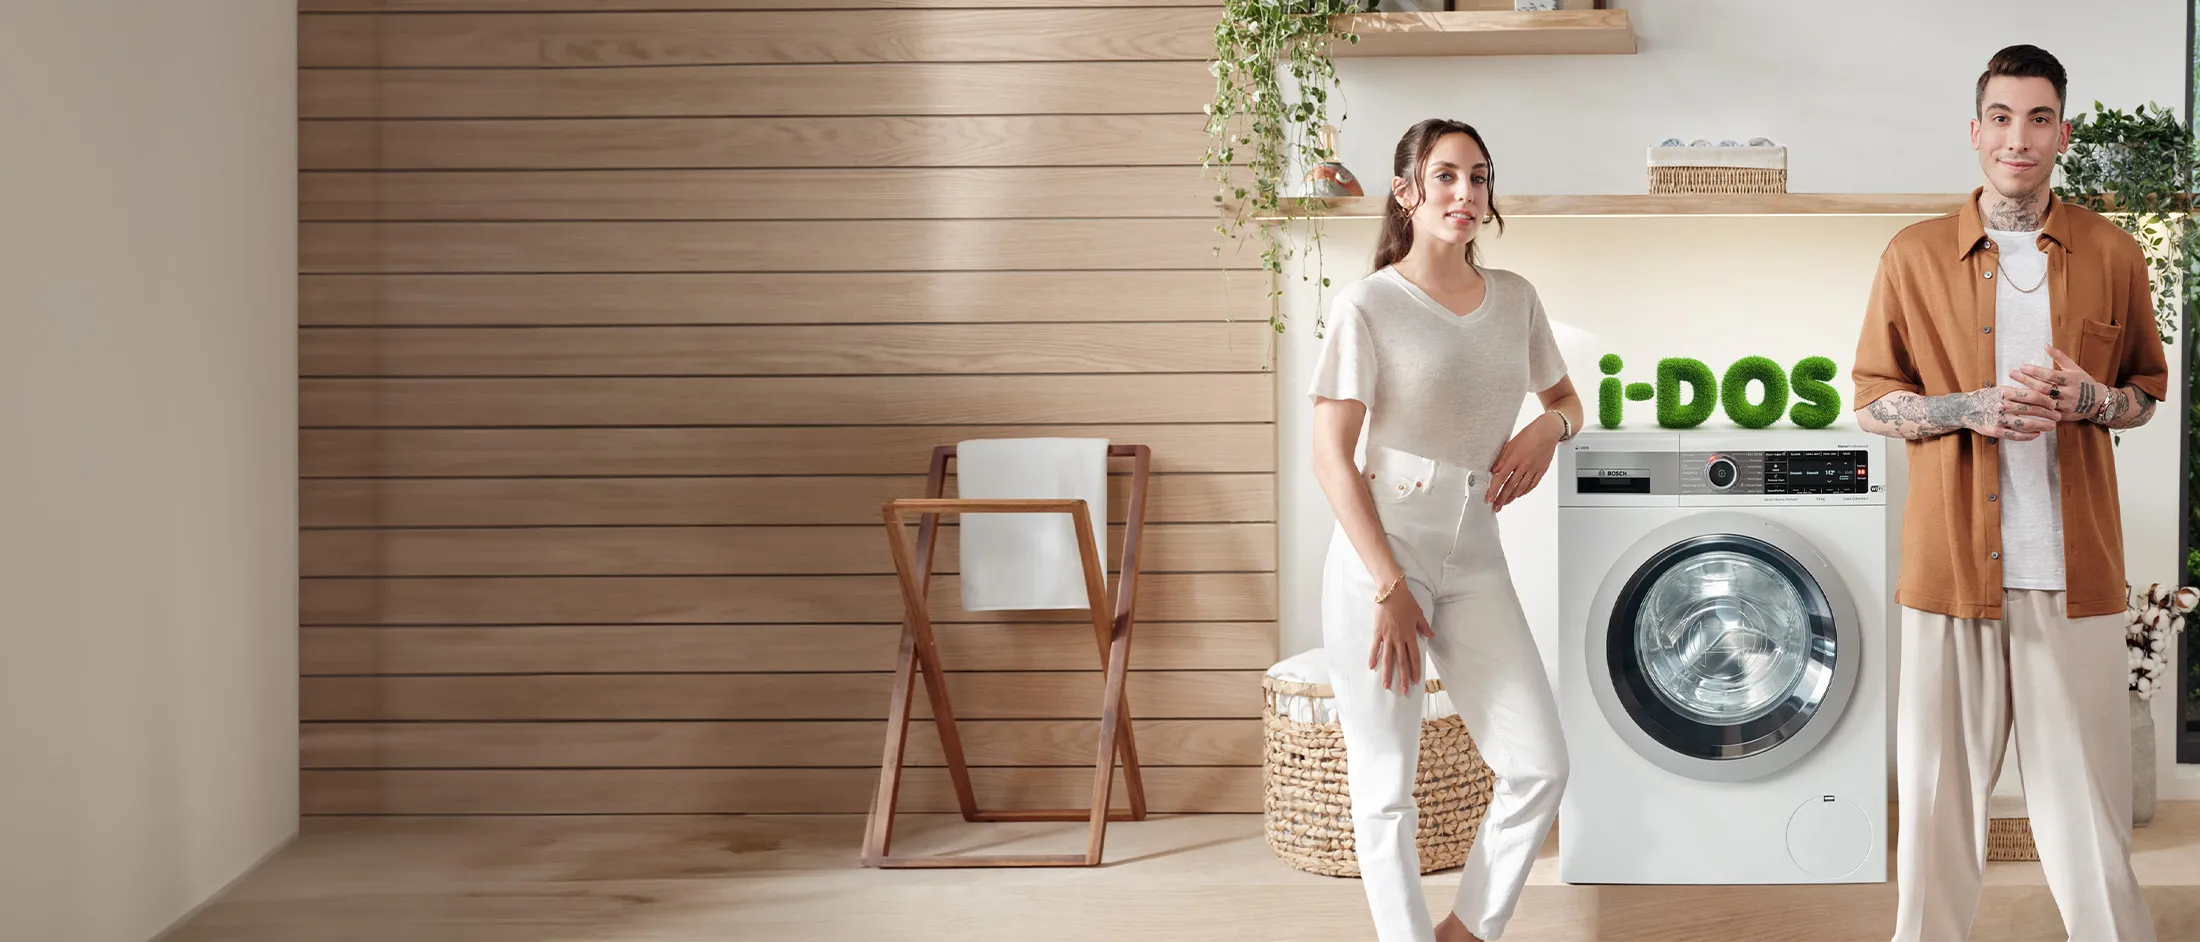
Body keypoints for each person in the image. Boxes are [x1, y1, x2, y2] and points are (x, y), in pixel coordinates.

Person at [1850, 44, 2168, 942]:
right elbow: (1875, 402)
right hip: (1950, 577)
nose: (2017, 137)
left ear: (2061, 132)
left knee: (2091, 826)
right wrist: (1970, 408)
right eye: (2001, 117)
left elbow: (2144, 393)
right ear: (1976, 130)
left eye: (2037, 118)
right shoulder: (1913, 256)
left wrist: (2092, 400)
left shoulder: (2112, 253)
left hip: (2076, 582)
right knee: (1937, 823)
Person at [1308, 117, 1583, 942]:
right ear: (1408, 193)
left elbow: (1568, 402)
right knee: (1386, 781)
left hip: (1475, 552)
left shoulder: (1518, 300)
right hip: (1382, 551)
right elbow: (1330, 458)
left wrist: (1547, 430)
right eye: (1447, 177)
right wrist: (1388, 586)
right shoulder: (1368, 305)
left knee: (1540, 765)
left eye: (1481, 178)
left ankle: (1466, 931)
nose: (1467, 194)